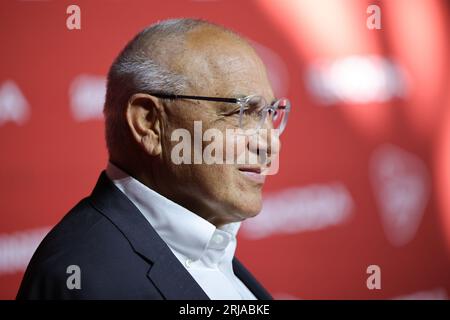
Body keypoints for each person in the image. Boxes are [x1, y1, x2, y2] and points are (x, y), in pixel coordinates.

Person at [17, 18, 290, 299]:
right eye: (241, 113)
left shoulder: (212, 248)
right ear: (148, 122)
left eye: (269, 114)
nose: (269, 144)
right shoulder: (84, 280)